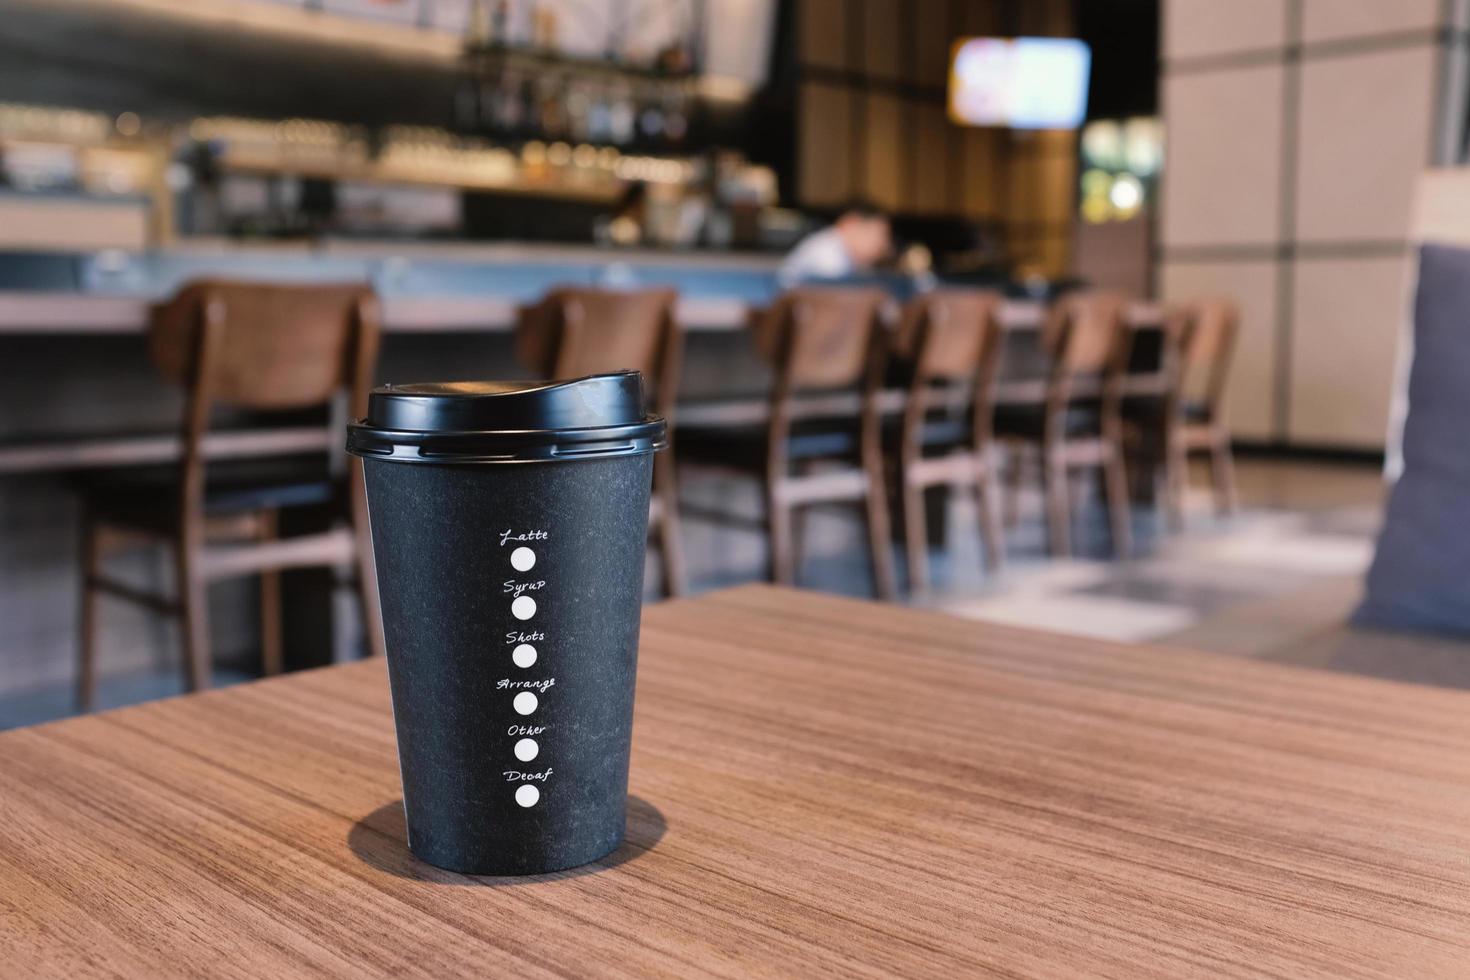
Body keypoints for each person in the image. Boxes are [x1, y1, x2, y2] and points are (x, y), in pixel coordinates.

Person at [778, 199, 892, 285]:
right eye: (880, 235)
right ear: (850, 224)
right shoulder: (827, 252)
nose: (884, 245)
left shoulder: (844, 253)